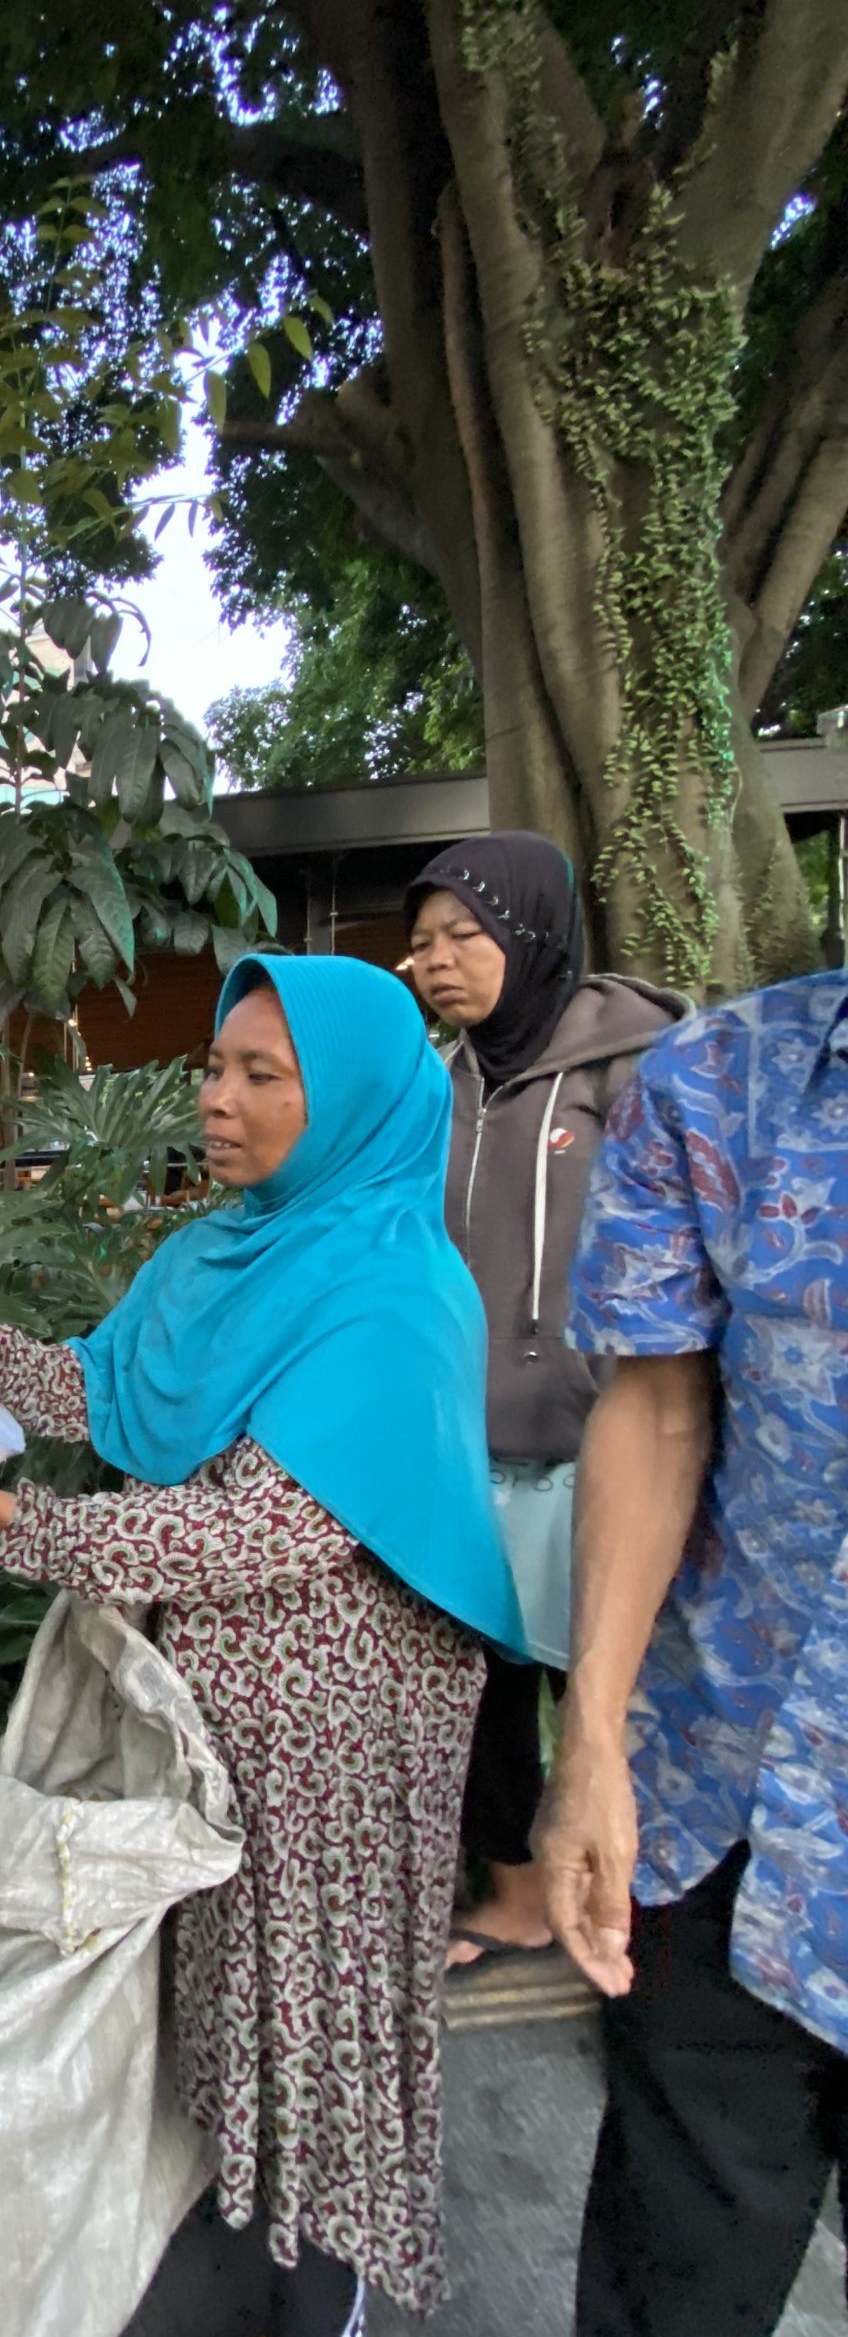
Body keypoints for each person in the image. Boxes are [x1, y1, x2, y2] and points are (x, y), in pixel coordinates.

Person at [0, 952, 522, 2337]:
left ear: (361, 1103)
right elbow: (130, 1389)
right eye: (217, 1065)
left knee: (324, 2027)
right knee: (249, 1995)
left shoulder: (391, 1291)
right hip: (218, 1723)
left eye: (267, 1074)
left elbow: (256, 1528)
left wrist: (25, 1533)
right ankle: (270, 2232)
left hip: (339, 1744)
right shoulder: (226, 1254)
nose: (219, 1097)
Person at [525, 964, 848, 2337]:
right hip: (728, 1812)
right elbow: (654, 1404)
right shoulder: (726, 1083)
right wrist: (589, 1743)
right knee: (662, 2330)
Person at [404, 836, 686, 1968]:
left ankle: (636, 1905)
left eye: (462, 935)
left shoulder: (641, 1067)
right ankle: (518, 1895)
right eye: (420, 942)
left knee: (616, 1688)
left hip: (609, 1441)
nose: (434, 962)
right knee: (485, 1691)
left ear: (528, 933)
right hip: (473, 1446)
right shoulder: (439, 1085)